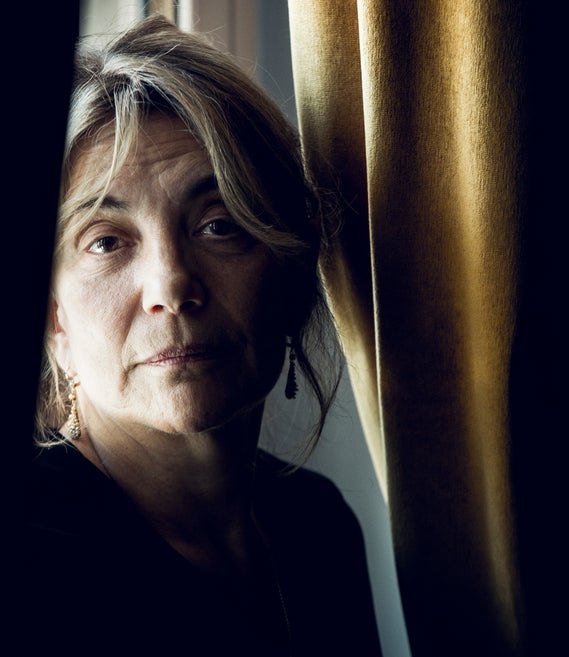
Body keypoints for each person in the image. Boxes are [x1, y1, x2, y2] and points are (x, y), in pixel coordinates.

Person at [25, 14, 382, 657]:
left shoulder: (319, 527)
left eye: (219, 224)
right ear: (54, 315)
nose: (171, 286)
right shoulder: (27, 558)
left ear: (291, 271)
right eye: (106, 242)